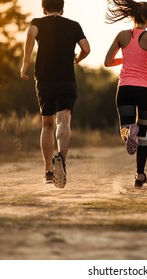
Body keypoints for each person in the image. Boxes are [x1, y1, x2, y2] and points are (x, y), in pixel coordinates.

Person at [20, 0, 90, 188]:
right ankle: (62, 159)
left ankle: (49, 171)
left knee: (47, 123)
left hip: (44, 79)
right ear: (62, 8)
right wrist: (78, 58)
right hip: (66, 78)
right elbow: (87, 48)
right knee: (64, 120)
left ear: (43, 8)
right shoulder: (73, 25)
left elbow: (30, 34)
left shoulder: (38, 22)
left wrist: (25, 63)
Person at [104, 0, 147, 188]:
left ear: (132, 16)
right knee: (144, 134)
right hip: (146, 90)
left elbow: (107, 62)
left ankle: (128, 132)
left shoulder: (122, 36)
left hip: (126, 88)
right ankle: (140, 175)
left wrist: (126, 58)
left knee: (123, 129)